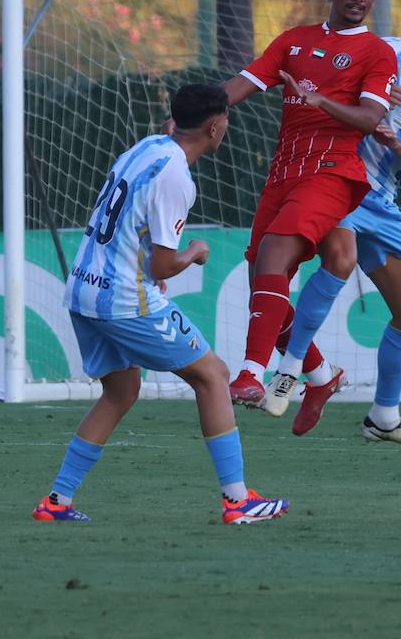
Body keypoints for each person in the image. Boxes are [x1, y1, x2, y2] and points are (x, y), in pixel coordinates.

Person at [32, 84, 288, 525]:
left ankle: (56, 501)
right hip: (123, 299)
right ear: (215, 126)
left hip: (83, 288)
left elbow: (135, 229)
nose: (226, 126)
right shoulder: (177, 178)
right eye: (226, 119)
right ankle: (237, 500)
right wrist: (195, 252)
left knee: (121, 391)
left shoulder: (149, 147)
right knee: (213, 376)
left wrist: (154, 267)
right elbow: (166, 264)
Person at [264, 0, 401, 449]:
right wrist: (373, 99)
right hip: (339, 180)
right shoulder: (384, 51)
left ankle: (383, 417)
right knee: (338, 261)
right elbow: (330, 92)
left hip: (382, 201)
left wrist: (397, 142)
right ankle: (289, 370)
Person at [222, 0, 400, 435]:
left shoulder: (376, 53)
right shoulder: (294, 41)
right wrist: (197, 113)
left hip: (334, 169)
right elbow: (243, 83)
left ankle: (250, 374)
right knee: (263, 267)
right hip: (284, 171)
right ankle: (320, 376)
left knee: (276, 255)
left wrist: (321, 100)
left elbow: (369, 118)